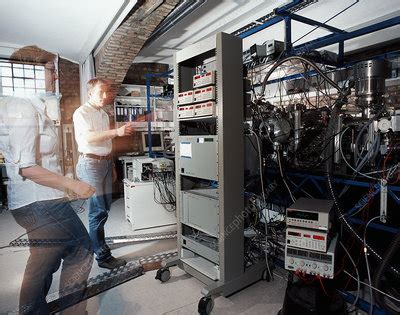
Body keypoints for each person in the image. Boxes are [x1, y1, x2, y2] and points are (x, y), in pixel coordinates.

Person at [0, 95, 95, 314]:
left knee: (43, 261)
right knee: (80, 250)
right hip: (41, 202)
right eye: (51, 69)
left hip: (32, 201)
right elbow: (27, 168)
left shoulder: (25, 109)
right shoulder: (24, 108)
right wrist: (73, 184)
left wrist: (64, 186)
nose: (54, 74)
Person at [73, 78, 134, 269]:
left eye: (108, 92)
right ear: (90, 92)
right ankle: (102, 256)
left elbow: (107, 143)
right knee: (97, 211)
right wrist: (117, 132)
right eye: (101, 92)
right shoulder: (81, 112)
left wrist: (112, 166)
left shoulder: (104, 114)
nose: (106, 96)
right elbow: (89, 137)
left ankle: (95, 244)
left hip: (105, 163)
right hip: (90, 164)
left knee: (104, 209)